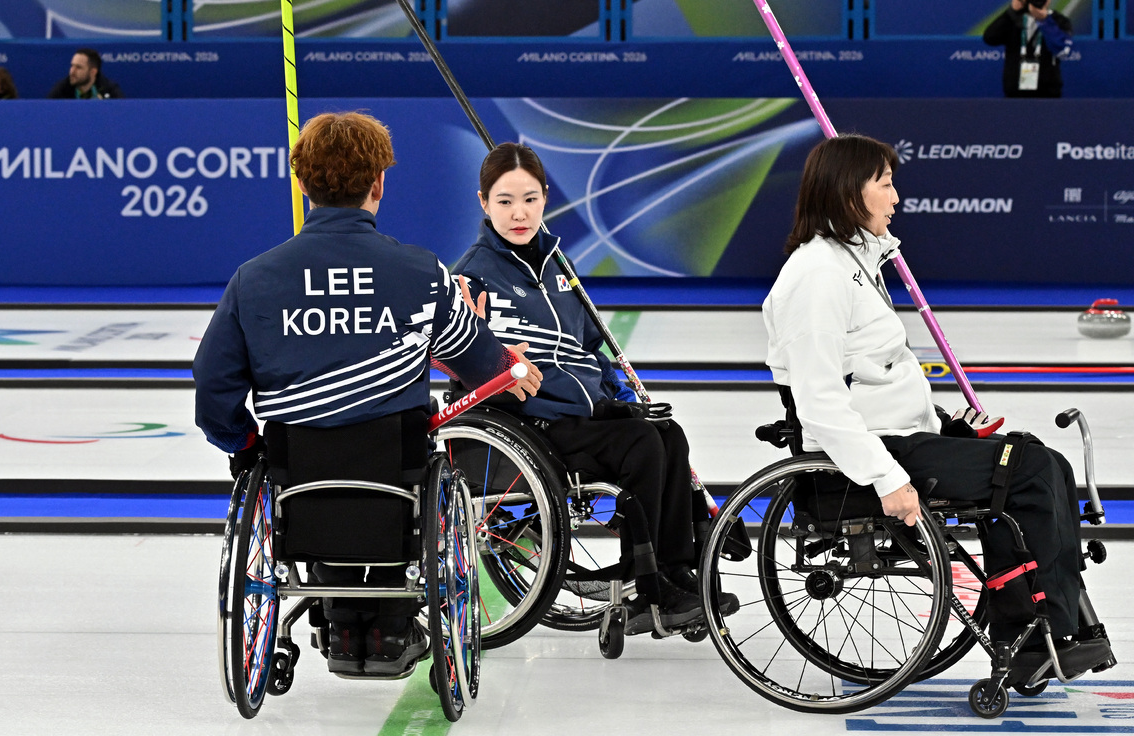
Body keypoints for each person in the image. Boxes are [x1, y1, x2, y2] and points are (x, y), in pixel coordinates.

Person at [193, 113, 541, 676]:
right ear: (379, 184)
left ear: (302, 185)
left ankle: (341, 614)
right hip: (397, 474)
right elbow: (478, 361)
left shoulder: (254, 279)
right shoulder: (421, 273)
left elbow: (213, 390)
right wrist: (509, 366)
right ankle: (385, 629)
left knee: (295, 473)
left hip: (294, 474)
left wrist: (243, 440)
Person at [762, 133, 1112, 677]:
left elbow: (875, 381)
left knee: (1038, 458)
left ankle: (1040, 626)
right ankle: (1043, 632)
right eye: (885, 183)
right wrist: (885, 479)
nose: (896, 197)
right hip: (867, 459)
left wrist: (947, 426)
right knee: (1028, 471)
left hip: (902, 439)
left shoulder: (854, 264)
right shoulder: (816, 277)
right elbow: (821, 401)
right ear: (850, 192)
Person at [452, 142, 736, 636]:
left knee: (666, 433)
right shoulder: (473, 275)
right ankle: (648, 589)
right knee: (642, 447)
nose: (519, 213)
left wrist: (622, 397)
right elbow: (460, 364)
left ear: (545, 199)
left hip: (585, 411)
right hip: (531, 423)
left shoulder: (559, 267)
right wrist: (487, 352)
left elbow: (590, 348)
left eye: (530, 199)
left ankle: (674, 572)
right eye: (504, 201)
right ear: (483, 203)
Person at [983, 0, 1073, 98]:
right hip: (1015, 94)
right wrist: (1011, 12)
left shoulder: (1058, 20)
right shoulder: (1012, 19)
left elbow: (1062, 50)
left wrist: (1045, 21)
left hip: (1048, 95)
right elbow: (989, 38)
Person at [47, 48, 124, 99]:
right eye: (72, 66)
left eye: (78, 67)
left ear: (93, 72)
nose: (72, 71)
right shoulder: (61, 90)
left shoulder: (109, 90)